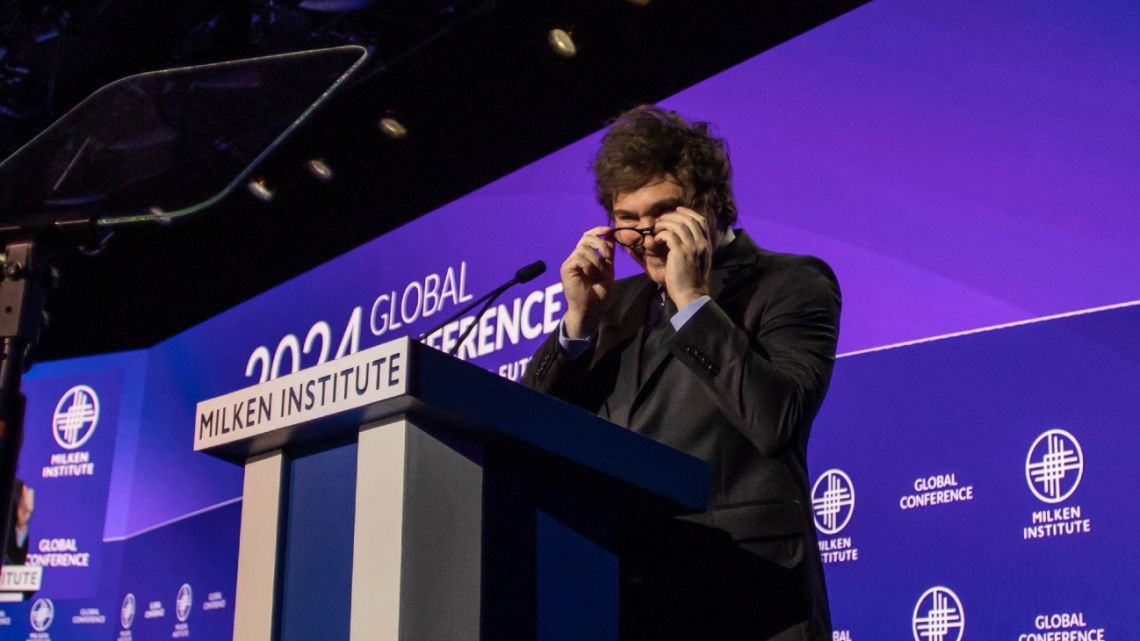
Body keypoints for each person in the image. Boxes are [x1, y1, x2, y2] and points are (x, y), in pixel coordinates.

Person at [522, 105, 840, 641]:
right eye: (627, 221)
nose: (645, 239)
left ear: (711, 205)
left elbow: (777, 419)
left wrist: (692, 300)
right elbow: (533, 429)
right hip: (630, 596)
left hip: (749, 599)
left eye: (662, 213)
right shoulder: (611, 304)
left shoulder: (791, 283)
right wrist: (577, 324)